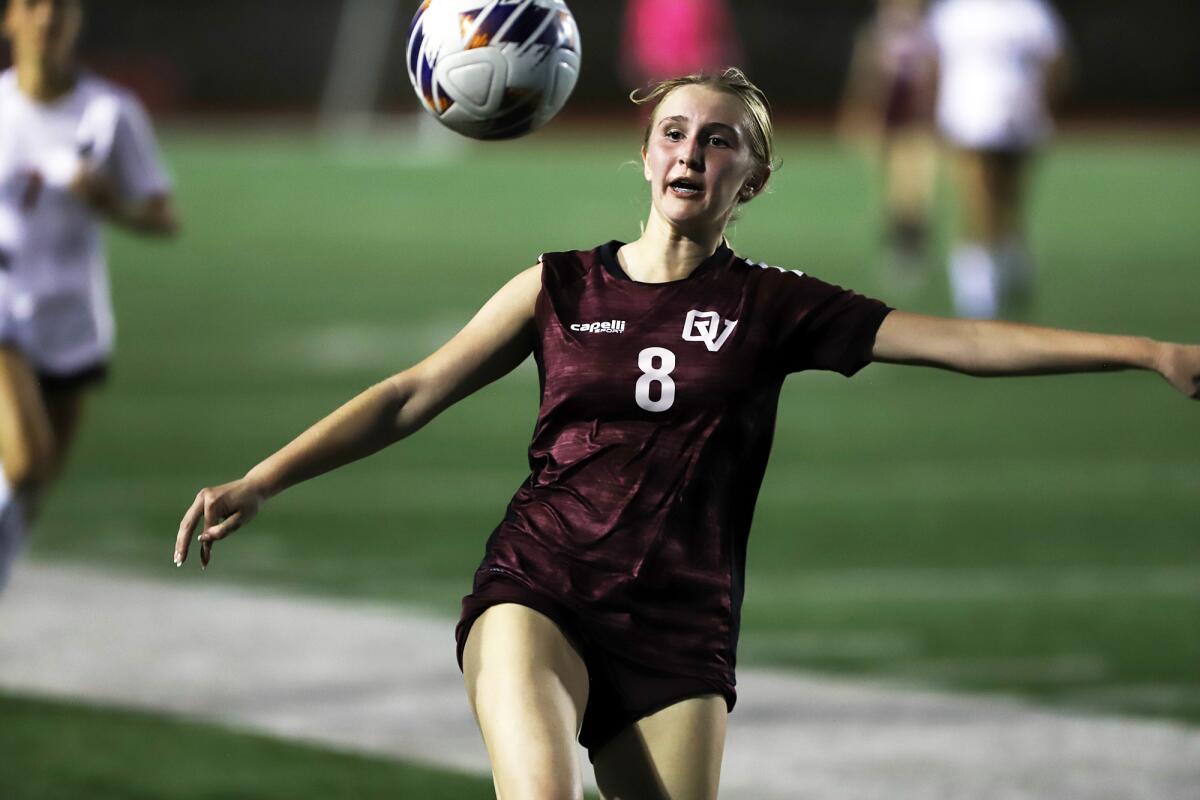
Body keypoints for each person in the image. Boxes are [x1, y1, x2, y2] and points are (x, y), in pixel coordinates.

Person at [174, 68, 1198, 799]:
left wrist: (1146, 350)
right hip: (541, 586)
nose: (691, 152)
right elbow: (410, 393)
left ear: (751, 180)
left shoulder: (775, 305)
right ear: (644, 155)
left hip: (681, 626)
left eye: (719, 141)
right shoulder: (559, 285)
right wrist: (264, 478)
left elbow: (963, 340)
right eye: (673, 132)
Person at [0, 0, 178, 589]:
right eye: (32, 4)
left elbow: (163, 216)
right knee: (27, 463)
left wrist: (108, 203)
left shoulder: (109, 112)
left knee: (33, 486)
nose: (47, 18)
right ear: (10, 19)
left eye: (61, 6)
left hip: (73, 319)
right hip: (4, 303)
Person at [927, 0, 1069, 319]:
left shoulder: (1029, 11)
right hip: (968, 120)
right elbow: (932, 62)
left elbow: (1056, 60)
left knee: (1010, 200)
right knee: (977, 200)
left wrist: (1042, 102)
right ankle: (976, 288)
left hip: (1020, 119)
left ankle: (1009, 262)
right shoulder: (954, 12)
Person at [837, 0, 939, 285]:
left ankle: (914, 246)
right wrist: (859, 115)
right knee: (891, 192)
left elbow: (936, 78)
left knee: (915, 190)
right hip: (889, 125)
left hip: (918, 125)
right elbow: (865, 78)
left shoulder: (929, 34)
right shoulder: (877, 33)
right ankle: (899, 247)